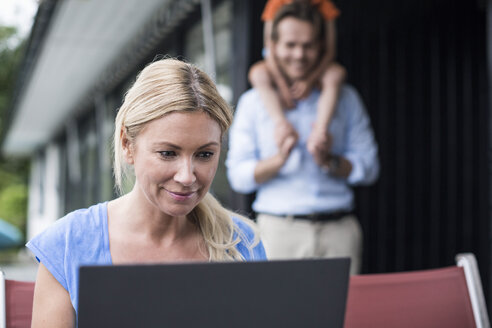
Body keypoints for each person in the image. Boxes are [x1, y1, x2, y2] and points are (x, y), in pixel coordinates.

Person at [26, 58, 266, 327]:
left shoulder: (241, 243)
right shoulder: (69, 243)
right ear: (128, 145)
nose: (187, 176)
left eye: (205, 154)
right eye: (167, 153)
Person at [226, 2, 379, 274]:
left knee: (344, 316)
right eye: (290, 44)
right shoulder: (253, 102)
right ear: (272, 47)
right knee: (276, 315)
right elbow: (238, 176)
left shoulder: (346, 98)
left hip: (339, 231)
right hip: (277, 231)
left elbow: (369, 169)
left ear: (320, 47)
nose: (299, 54)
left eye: (308, 45)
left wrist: (329, 160)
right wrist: (279, 160)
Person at [248, 0, 346, 162]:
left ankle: (320, 131)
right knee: (257, 73)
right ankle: (281, 125)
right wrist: (282, 85)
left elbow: (329, 51)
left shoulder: (324, 5)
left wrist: (310, 80)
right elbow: (269, 50)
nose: (299, 54)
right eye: (291, 45)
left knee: (336, 74)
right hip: (277, 70)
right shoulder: (275, 4)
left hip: (318, 69)